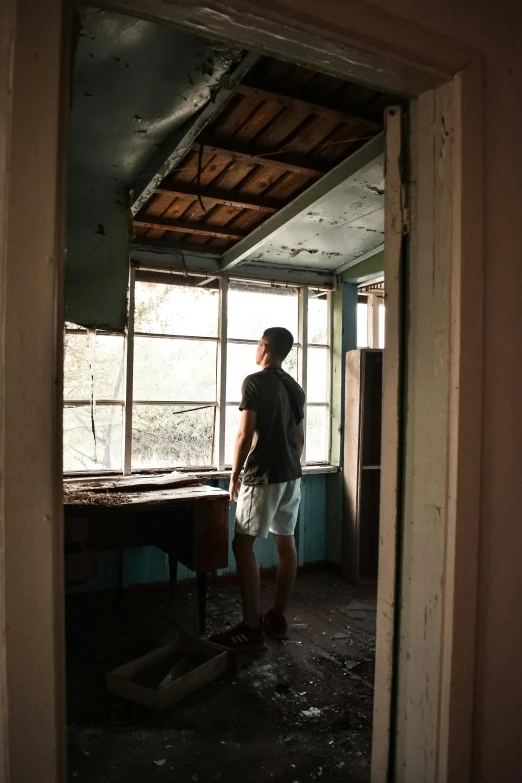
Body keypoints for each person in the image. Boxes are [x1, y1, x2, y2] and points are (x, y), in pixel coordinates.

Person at [210, 326, 305, 651]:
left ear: (264, 346)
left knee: (242, 545)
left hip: (263, 474)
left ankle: (251, 628)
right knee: (285, 542)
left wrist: (235, 474)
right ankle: (276, 617)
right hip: (292, 475)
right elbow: (300, 438)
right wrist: (290, 465)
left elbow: (245, 434)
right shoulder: (294, 387)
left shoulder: (254, 382)